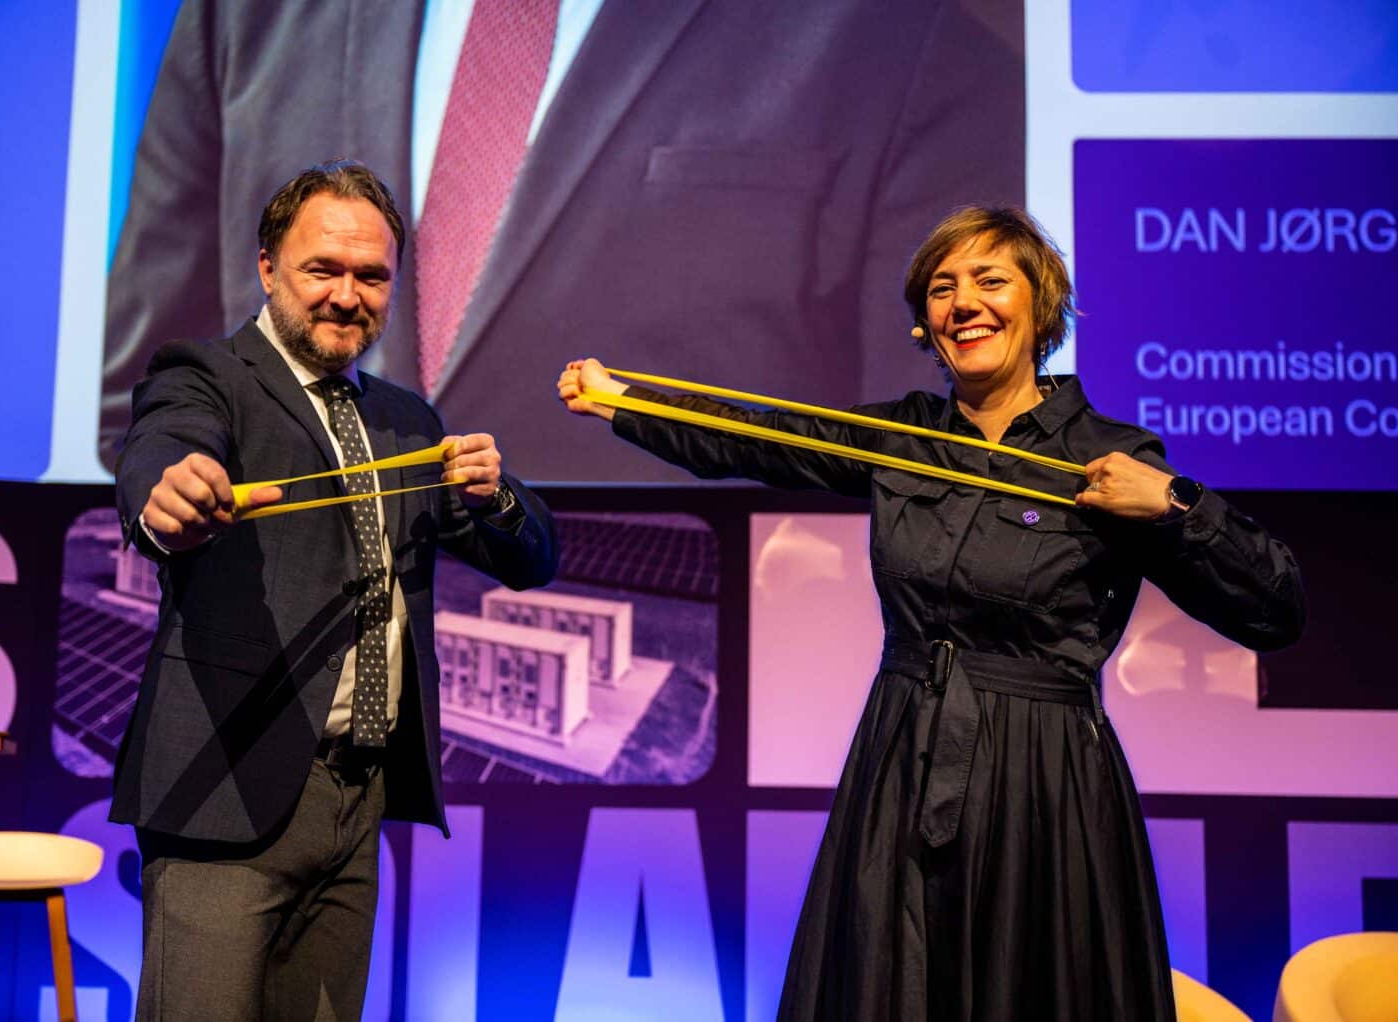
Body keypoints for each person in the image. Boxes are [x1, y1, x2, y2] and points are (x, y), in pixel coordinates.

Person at [557, 206, 1305, 1020]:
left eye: (991, 280)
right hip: (903, 756)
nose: (964, 303)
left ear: (1041, 306)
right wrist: (623, 402)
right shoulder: (905, 436)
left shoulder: (1109, 457)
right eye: (943, 289)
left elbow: (1273, 611)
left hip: (1043, 781)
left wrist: (1175, 503)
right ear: (925, 324)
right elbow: (761, 437)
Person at [99, 0, 1024, 483]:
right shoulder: (245, 12)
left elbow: (927, 455)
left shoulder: (904, 37)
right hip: (277, 659)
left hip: (679, 655)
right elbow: (147, 393)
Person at [113, 159, 557, 1021]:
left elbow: (533, 559)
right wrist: (168, 496)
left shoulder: (407, 420)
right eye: (323, 269)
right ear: (268, 267)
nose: (347, 297)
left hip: (359, 798)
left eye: (371, 276)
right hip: (225, 786)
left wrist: (496, 496)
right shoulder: (207, 375)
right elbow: (163, 451)